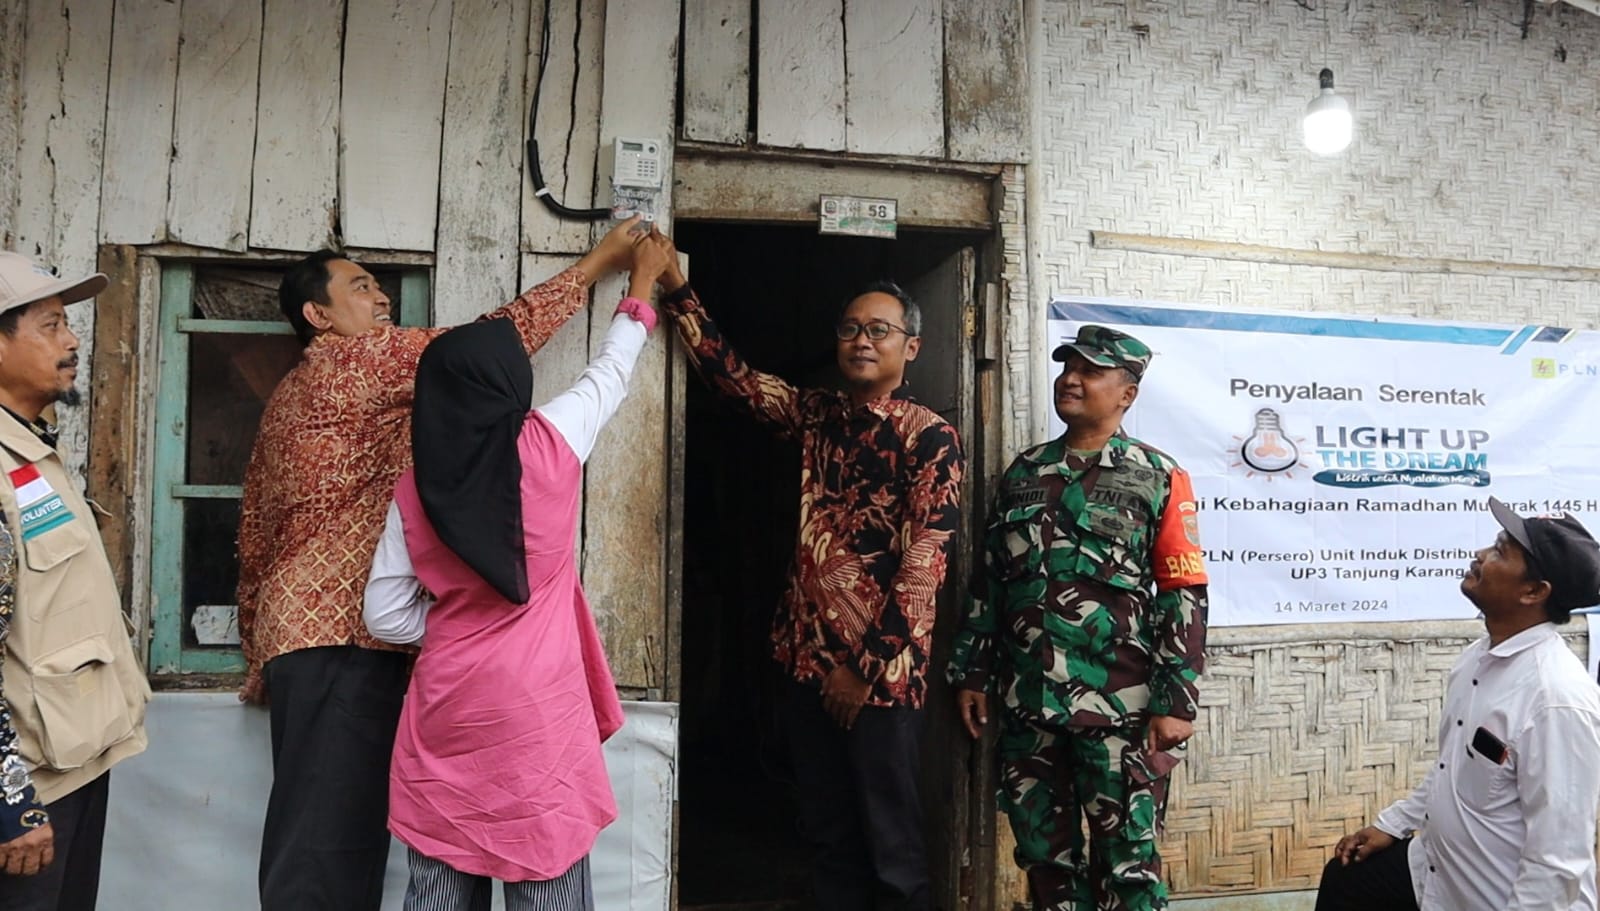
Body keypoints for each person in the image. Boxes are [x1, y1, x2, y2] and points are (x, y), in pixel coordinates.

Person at [236, 218, 648, 911]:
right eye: (360, 287)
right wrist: (601, 264)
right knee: (331, 849)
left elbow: (255, 526)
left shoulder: (291, 398)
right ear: (317, 316)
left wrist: (259, 642)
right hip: (342, 637)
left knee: (322, 836)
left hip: (303, 636)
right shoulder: (366, 362)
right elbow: (492, 341)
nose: (382, 299)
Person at [360, 233, 669, 910]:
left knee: (439, 884)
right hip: (538, 719)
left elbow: (382, 614)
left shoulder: (414, 489)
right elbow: (611, 371)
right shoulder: (551, 444)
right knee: (548, 872)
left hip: (449, 712)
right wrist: (642, 285)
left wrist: (453, 621)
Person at [655, 236, 964, 911]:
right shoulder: (818, 415)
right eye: (850, 328)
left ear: (910, 347)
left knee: (893, 850)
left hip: (880, 679)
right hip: (806, 666)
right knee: (828, 840)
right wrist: (678, 291)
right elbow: (737, 381)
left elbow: (925, 564)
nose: (861, 341)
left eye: (878, 330)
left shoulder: (928, 435)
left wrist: (864, 666)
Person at [949, 324, 1208, 911]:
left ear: (1127, 394)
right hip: (1029, 705)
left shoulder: (1158, 476)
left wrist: (1176, 702)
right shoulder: (1024, 473)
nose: (1071, 379)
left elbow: (1184, 592)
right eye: (1068, 367)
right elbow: (991, 583)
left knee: (1127, 866)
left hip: (1120, 708)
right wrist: (972, 671)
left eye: (1091, 371)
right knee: (1045, 864)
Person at [1316, 498, 1600, 911]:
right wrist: (1395, 824)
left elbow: (1558, 861)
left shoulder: (1556, 700)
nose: (1481, 555)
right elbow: (1452, 770)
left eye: (1500, 551)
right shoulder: (1477, 659)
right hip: (1435, 873)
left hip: (1497, 899)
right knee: (1347, 878)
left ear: (1534, 592)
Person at [0, 253, 152, 910]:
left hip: (69, 763)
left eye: (68, 323)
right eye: (51, 325)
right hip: (27, 786)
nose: (72, 340)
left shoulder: (32, 451)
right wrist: (10, 801)